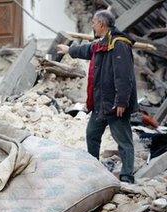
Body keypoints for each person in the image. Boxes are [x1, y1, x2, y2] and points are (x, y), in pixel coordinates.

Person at [57, 10, 138, 183]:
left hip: (115, 104)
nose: (92, 25)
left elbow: (124, 76)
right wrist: (69, 49)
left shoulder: (119, 44)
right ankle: (94, 168)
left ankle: (127, 176)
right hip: (101, 102)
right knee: (92, 134)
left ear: (101, 24)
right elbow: (87, 50)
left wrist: (122, 101)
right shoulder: (102, 43)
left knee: (123, 141)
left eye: (94, 22)